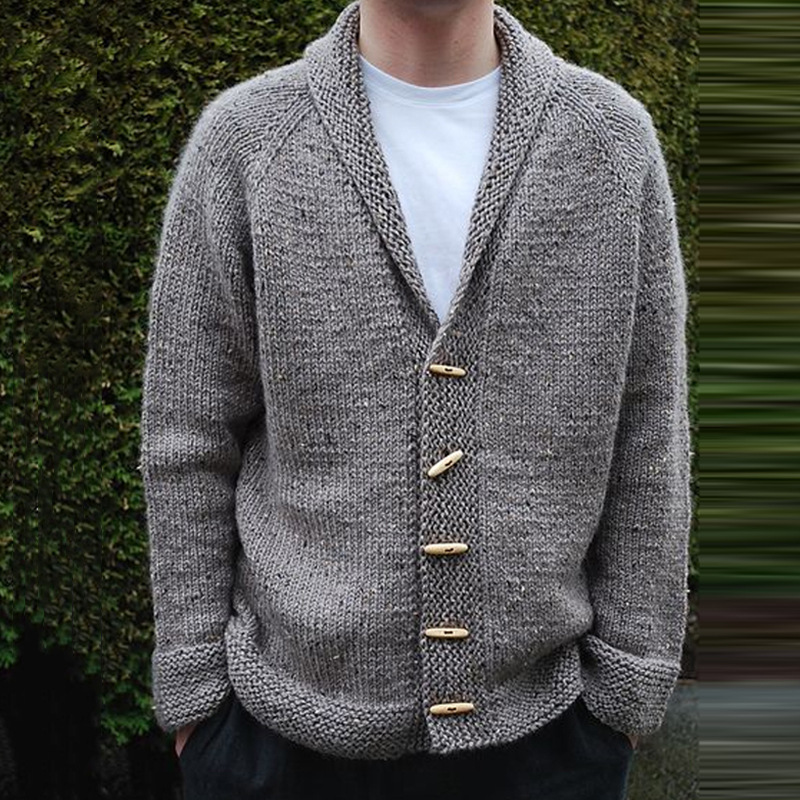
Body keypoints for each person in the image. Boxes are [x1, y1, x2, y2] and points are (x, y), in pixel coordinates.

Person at [138, 0, 693, 797]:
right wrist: (197, 700)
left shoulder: (608, 144)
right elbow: (189, 437)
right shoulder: (247, 142)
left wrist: (627, 692)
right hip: (277, 740)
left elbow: (650, 432)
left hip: (547, 741)